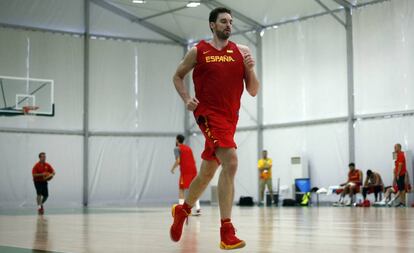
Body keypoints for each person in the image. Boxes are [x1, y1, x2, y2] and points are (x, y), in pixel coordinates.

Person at [169, 7, 259, 250]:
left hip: (230, 120)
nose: (228, 25)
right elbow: (177, 76)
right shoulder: (198, 51)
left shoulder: (242, 52)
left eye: (230, 21)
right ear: (212, 25)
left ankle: (182, 210)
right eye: (223, 21)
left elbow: (253, 90)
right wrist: (187, 98)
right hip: (208, 115)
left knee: (207, 173)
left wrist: (250, 68)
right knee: (230, 160)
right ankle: (226, 230)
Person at [170, 134, 201, 215]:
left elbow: (178, 161)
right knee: (194, 189)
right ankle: (198, 208)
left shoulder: (177, 148)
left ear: (177, 140)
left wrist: (172, 168)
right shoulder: (189, 148)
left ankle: (181, 209)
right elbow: (194, 160)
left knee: (181, 189)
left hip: (185, 171)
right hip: (194, 170)